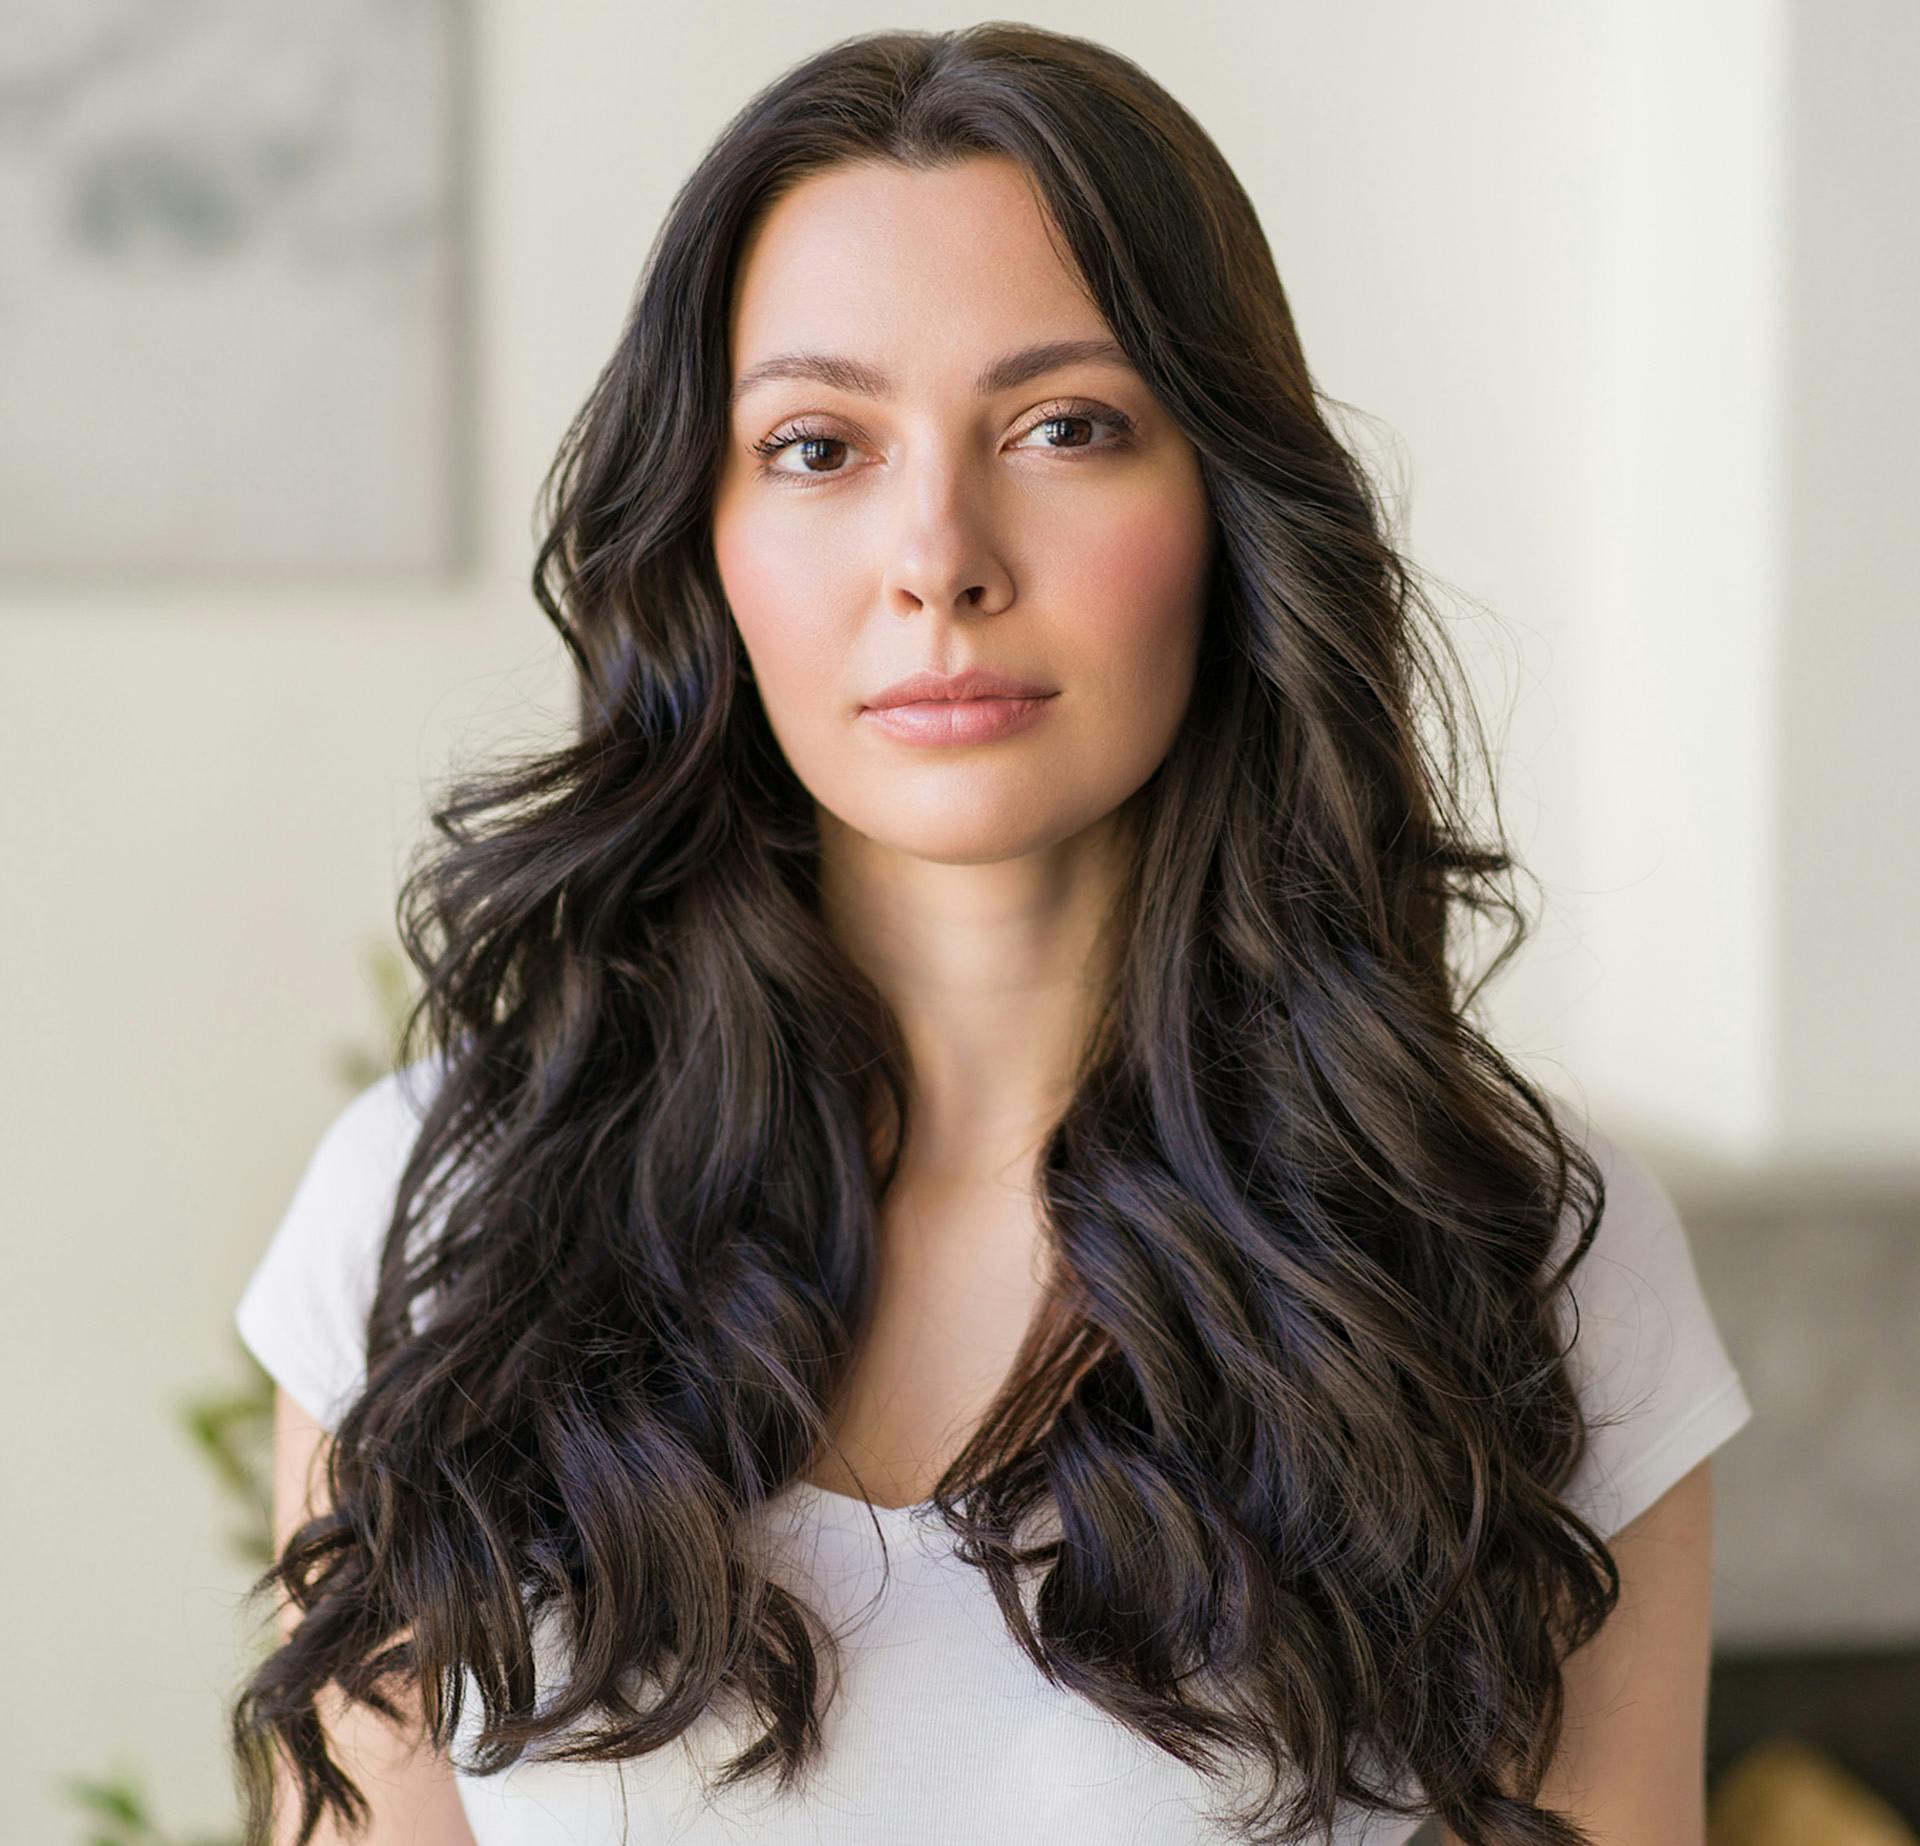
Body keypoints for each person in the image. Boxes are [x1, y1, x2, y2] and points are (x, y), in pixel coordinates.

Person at [228, 23, 1753, 1846]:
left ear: (1227, 510)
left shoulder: (1520, 1256)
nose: (937, 553)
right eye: (817, 445)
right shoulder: (430, 1221)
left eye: (1065, 426)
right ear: (702, 542)